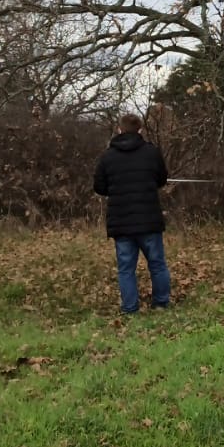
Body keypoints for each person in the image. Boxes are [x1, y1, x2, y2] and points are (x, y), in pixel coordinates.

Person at [93, 114, 171, 313]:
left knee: (126, 269)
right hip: (149, 220)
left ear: (119, 129)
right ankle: (161, 303)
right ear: (140, 130)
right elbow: (162, 179)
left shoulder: (107, 156)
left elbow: (99, 187)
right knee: (157, 264)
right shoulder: (151, 152)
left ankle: (130, 308)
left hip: (122, 222)